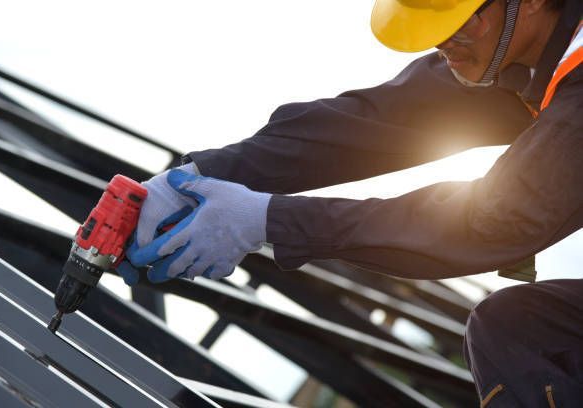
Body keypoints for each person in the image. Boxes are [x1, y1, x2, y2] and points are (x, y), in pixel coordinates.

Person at [118, 0, 583, 405]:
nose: (442, 40)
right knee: (520, 330)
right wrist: (199, 175)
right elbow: (375, 121)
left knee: (528, 334)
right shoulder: (520, 55)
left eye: (459, 19)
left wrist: (266, 220)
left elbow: (498, 218)